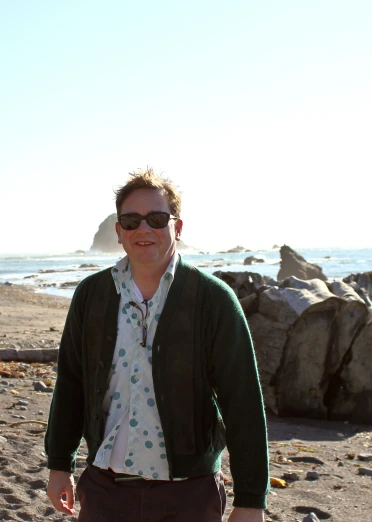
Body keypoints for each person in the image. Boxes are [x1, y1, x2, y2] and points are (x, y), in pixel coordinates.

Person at [45, 169, 269, 521]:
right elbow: (71, 383)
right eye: (131, 220)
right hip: (105, 489)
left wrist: (251, 500)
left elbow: (242, 402)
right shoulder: (92, 295)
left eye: (157, 218)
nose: (143, 229)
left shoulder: (213, 300)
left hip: (188, 494)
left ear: (177, 228)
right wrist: (60, 463)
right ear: (119, 232)